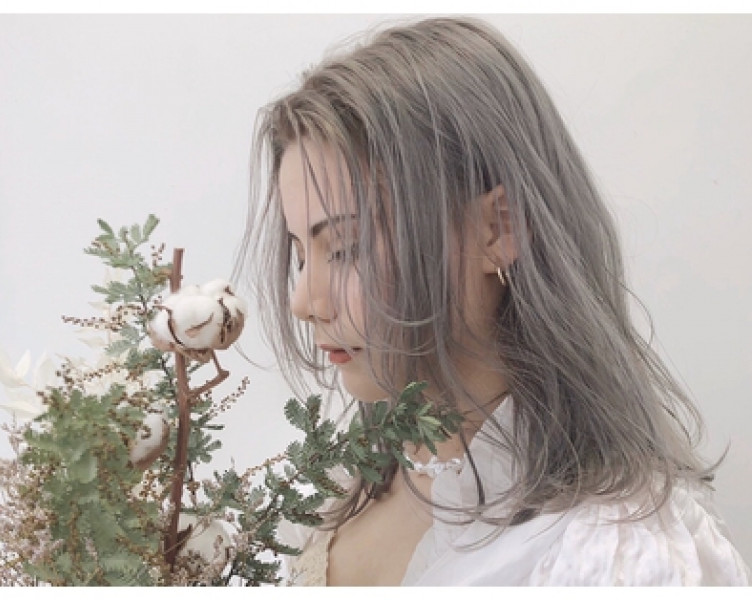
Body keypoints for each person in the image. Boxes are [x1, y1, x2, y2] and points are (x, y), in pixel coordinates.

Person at [235, 16, 750, 586]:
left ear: (497, 228)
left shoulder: (615, 557)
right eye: (300, 255)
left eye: (345, 247)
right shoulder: (339, 487)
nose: (303, 302)